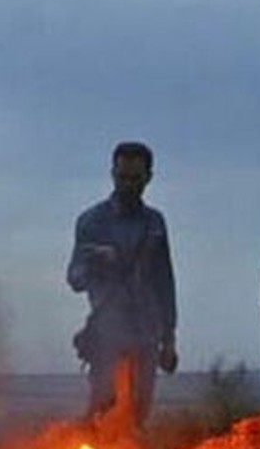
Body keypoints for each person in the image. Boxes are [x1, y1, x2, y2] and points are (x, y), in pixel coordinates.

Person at [66, 141, 179, 429]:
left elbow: (164, 280)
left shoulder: (155, 222)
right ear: (113, 174)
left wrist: (170, 338)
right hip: (109, 329)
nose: (128, 185)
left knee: (139, 410)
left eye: (136, 179)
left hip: (147, 329)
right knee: (104, 406)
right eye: (122, 177)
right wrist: (97, 261)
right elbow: (74, 278)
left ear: (148, 178)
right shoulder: (92, 221)